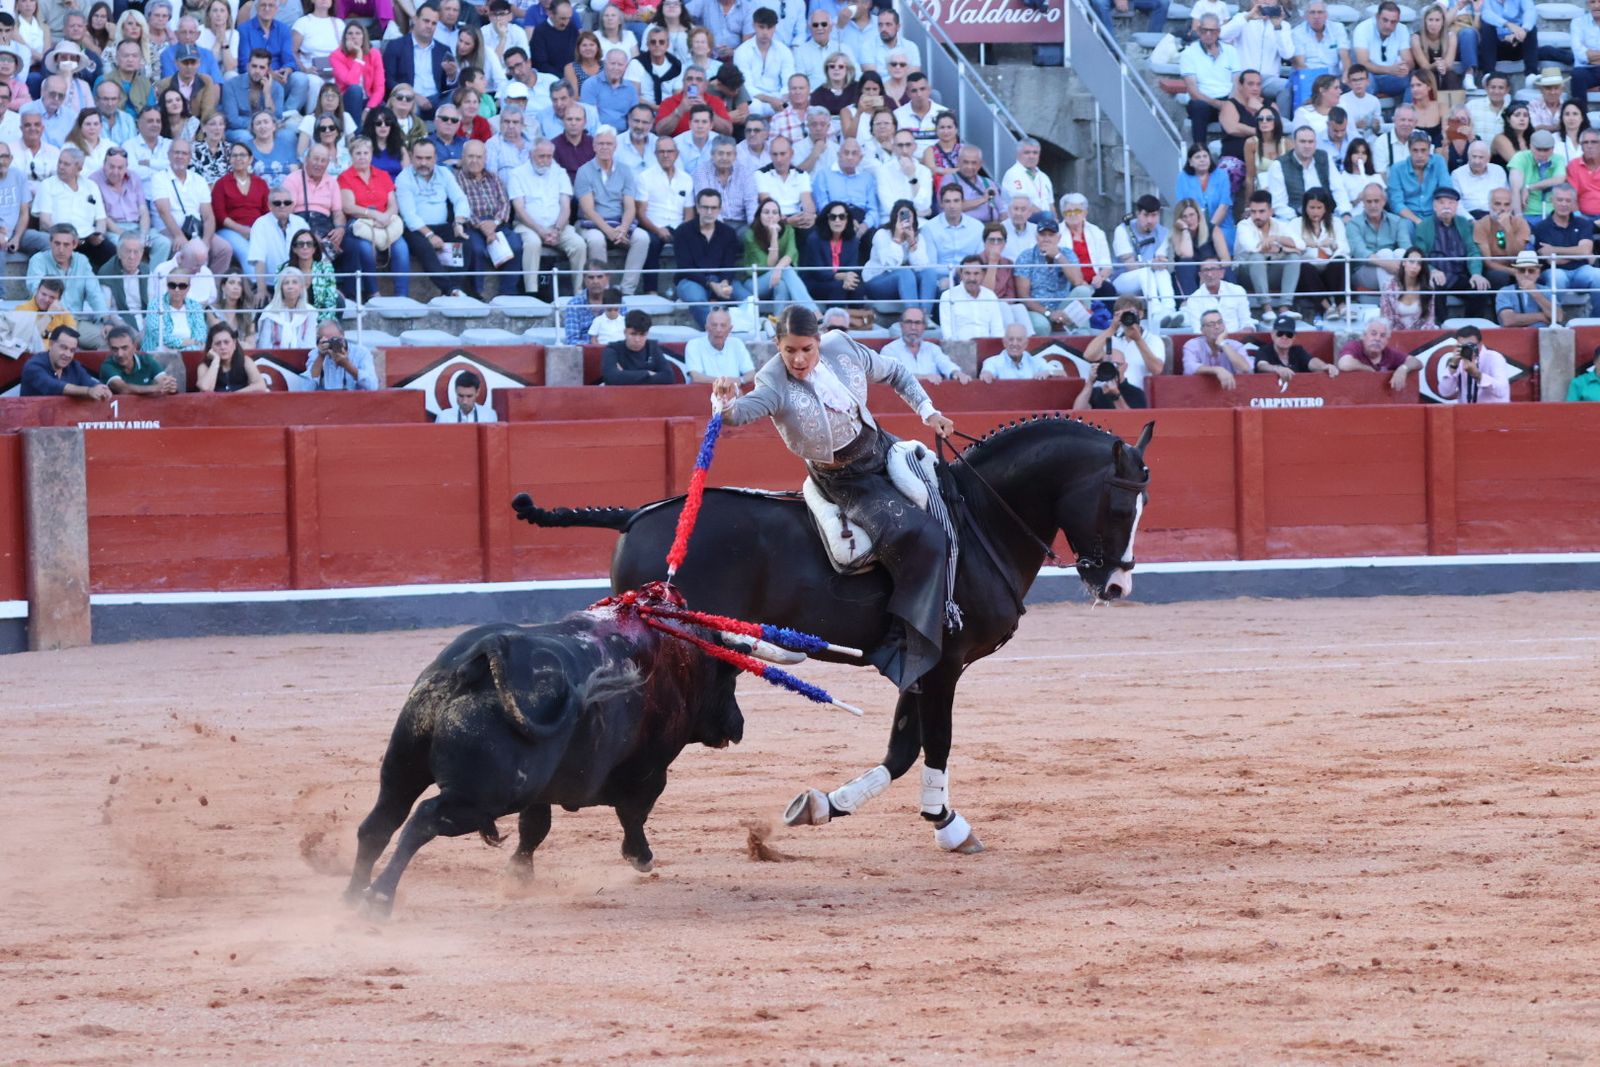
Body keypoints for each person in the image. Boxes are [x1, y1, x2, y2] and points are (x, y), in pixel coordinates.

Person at [712, 305, 956, 693]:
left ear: (819, 342)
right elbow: (739, 415)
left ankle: (953, 606)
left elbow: (894, 372)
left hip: (882, 446)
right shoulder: (772, 380)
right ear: (778, 345)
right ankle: (898, 642)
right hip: (844, 479)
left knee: (952, 499)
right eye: (790, 350)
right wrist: (724, 401)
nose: (798, 359)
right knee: (920, 536)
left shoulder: (843, 347)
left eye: (806, 349)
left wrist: (929, 411)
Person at [339, 135, 410, 300]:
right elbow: (348, 207)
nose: (362, 156)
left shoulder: (383, 175)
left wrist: (385, 216)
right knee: (364, 248)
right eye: (358, 153)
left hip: (385, 222)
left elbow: (393, 204)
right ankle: (373, 292)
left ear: (371, 154)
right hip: (359, 223)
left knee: (401, 247)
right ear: (352, 155)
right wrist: (374, 215)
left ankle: (402, 295)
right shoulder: (345, 177)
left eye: (366, 152)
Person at [397, 138, 471, 282]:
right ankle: (451, 290)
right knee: (426, 249)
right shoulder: (404, 178)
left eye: (428, 158)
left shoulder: (444, 173)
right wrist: (430, 235)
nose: (423, 163)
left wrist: (458, 223)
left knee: (465, 243)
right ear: (411, 156)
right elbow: (409, 215)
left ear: (435, 158)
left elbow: (460, 199)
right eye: (419, 158)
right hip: (417, 230)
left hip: (443, 226)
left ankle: (454, 288)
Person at [672, 186, 746, 327]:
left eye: (713, 208)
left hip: (720, 278)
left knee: (747, 299)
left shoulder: (728, 233)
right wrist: (711, 285)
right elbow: (685, 267)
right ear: (698, 208)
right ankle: (714, 334)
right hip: (691, 279)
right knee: (698, 299)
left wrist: (724, 282)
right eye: (705, 207)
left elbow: (729, 264)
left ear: (719, 209)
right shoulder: (682, 232)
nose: (709, 212)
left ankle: (744, 331)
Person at [26, 223, 111, 344]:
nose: (61, 249)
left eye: (66, 245)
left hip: (76, 322)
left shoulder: (82, 260)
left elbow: (94, 292)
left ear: (75, 244)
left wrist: (105, 321)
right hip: (47, 321)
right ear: (50, 243)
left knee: (108, 340)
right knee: (56, 342)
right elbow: (36, 291)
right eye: (57, 243)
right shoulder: (38, 260)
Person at [1413, 186, 1490, 314]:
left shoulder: (1464, 223)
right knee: (1435, 285)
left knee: (1481, 287)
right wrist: (1432, 271)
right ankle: (1440, 326)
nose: (1446, 206)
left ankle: (1470, 326)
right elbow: (1420, 255)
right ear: (1434, 206)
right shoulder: (1424, 226)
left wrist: (1476, 273)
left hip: (1460, 274)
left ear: (1456, 206)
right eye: (1441, 202)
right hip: (1437, 274)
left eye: (1451, 203)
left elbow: (1473, 250)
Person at [1531, 184, 1600, 316]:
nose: (1564, 204)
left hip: (1581, 271)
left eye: (1568, 200)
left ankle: (1597, 321)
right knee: (1558, 277)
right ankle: (1555, 319)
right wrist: (1580, 254)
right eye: (1560, 200)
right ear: (1553, 200)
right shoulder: (1542, 227)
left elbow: (1585, 250)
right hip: (1555, 270)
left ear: (1574, 203)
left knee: (1598, 275)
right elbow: (1553, 261)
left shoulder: (1583, 223)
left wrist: (1554, 249)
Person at [862, 197, 939, 317]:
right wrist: (897, 238)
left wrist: (912, 242)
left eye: (909, 215)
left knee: (929, 272)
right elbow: (890, 265)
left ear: (914, 218)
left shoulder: (918, 237)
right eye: (902, 215)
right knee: (905, 272)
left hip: (904, 284)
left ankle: (924, 317)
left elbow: (921, 267)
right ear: (895, 218)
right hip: (876, 282)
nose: (906, 219)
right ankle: (913, 317)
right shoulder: (882, 234)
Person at [1235, 189, 1301, 320]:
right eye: (1253, 212)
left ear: (1271, 211)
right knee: (1256, 257)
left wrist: (1276, 239)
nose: (1257, 216)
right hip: (1246, 275)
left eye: (1261, 211)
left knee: (1294, 258)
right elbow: (1253, 247)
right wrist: (1283, 248)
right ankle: (1267, 308)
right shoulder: (1243, 225)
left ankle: (1285, 308)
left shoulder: (1281, 225)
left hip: (1271, 272)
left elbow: (1300, 245)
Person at [1222, 2, 1293, 116]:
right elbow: (1222, 36)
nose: (1266, 2)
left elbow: (1287, 54)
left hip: (1268, 79)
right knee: (1235, 88)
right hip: (1244, 77)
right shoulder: (1243, 18)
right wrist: (1248, 17)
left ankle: (1282, 126)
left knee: (1287, 86)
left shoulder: (1283, 25)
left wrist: (1277, 27)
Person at [1180, 15, 1241, 147]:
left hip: (1227, 99)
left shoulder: (1231, 51)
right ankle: (1200, 150)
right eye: (1204, 30)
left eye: (1212, 30)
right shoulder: (1188, 53)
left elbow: (1236, 83)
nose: (1208, 34)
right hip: (1203, 100)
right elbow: (1193, 92)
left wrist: (1229, 103)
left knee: (1235, 109)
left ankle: (1230, 155)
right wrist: (1219, 104)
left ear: (1218, 32)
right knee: (1198, 106)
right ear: (1199, 30)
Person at [1083, 294, 1163, 394]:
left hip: (1138, 396)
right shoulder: (1111, 338)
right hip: (1108, 394)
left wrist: (1138, 340)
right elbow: (1089, 356)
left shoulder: (1153, 340)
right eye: (1122, 314)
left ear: (1141, 314)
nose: (1127, 317)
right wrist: (1112, 328)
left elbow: (1157, 370)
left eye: (1130, 313)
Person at [383, 3, 454, 114]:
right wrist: (413, 95)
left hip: (437, 101)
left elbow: (447, 88)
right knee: (407, 105)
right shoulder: (396, 46)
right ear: (415, 19)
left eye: (434, 23)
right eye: (426, 21)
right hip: (409, 99)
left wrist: (451, 76)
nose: (429, 26)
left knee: (457, 96)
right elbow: (389, 80)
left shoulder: (443, 50)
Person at [246, 180, 307, 298]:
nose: (282, 206)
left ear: (292, 205)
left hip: (299, 285)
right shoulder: (260, 224)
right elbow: (259, 259)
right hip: (271, 286)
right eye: (277, 203)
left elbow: (310, 256)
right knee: (261, 305)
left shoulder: (301, 223)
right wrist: (261, 291)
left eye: (287, 202)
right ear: (269, 205)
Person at [19, 323, 109, 397]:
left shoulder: (74, 366)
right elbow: (53, 386)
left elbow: (90, 382)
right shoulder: (33, 366)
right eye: (63, 348)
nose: (68, 354)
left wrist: (102, 389)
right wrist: (88, 391)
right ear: (51, 344)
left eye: (72, 350)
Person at [883, 305, 968, 382]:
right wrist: (924, 377)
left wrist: (956, 373)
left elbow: (946, 364)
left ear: (924, 326)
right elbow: (894, 375)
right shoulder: (890, 350)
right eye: (909, 322)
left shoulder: (933, 348)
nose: (913, 327)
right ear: (901, 325)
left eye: (917, 323)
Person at [1336, 315, 1420, 389]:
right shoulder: (1354, 346)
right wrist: (1368, 369)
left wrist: (1403, 369)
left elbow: (1416, 362)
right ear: (1363, 336)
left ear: (1387, 340)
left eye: (1383, 336)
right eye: (1373, 334)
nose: (1377, 339)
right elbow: (1344, 364)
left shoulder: (1388, 353)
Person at [1386, 130, 1450, 225]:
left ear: (1429, 150)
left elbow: (1447, 192)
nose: (1419, 155)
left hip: (1435, 215)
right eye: (1415, 150)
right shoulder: (1397, 169)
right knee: (1405, 225)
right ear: (1409, 150)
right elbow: (1396, 203)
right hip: (1409, 217)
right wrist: (1418, 221)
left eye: (1423, 150)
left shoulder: (1438, 162)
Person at [1434, 324, 1510, 403]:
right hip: (1466, 412)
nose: (1467, 349)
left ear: (1480, 344)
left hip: (1493, 411)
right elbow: (1445, 393)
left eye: (1471, 345)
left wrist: (1478, 375)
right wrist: (1453, 366)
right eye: (1463, 346)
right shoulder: (1459, 359)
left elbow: (1502, 391)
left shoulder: (1494, 358)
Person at [937, 256, 1004, 346]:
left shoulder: (990, 296)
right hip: (959, 350)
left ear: (983, 275)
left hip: (987, 350)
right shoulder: (948, 296)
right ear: (961, 275)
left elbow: (997, 331)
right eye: (967, 273)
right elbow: (947, 334)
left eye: (976, 273)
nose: (972, 278)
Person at [1352, 1, 1412, 99]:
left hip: (1391, 77)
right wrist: (1389, 70)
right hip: (1370, 75)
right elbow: (1362, 63)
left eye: (1393, 22)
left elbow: (1409, 60)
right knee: (1363, 80)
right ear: (1377, 17)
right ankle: (1369, 111)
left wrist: (1405, 67)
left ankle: (1406, 112)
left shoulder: (1402, 29)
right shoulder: (1362, 29)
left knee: (1415, 80)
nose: (1388, 26)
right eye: (1385, 20)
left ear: (1398, 21)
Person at [1474, 186, 1531, 289]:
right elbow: (1488, 262)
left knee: (1531, 274)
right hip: (1494, 269)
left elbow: (1516, 255)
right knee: (1498, 276)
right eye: (1497, 204)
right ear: (1489, 205)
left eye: (1507, 204)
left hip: (1517, 265)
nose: (1502, 209)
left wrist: (1507, 228)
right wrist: (1513, 272)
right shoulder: (1481, 224)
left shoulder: (1520, 223)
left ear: (1512, 206)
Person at [97, 323, 178, 394]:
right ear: (110, 348)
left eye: (124, 348)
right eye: (115, 349)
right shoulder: (107, 366)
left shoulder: (147, 360)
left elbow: (164, 382)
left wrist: (170, 386)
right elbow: (122, 388)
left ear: (135, 347)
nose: (120, 354)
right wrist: (156, 388)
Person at [1180, 310, 1253, 390]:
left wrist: (1222, 343)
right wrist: (1217, 370)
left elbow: (1246, 369)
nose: (1217, 327)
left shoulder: (1236, 345)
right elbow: (1189, 368)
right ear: (1202, 330)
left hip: (1232, 392)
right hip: (1198, 391)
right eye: (1211, 324)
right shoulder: (1192, 345)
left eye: (1220, 322)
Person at [600, 307, 675, 383]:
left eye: (642, 335)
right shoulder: (613, 349)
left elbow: (668, 377)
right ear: (625, 332)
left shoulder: (653, 347)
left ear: (647, 334)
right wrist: (647, 373)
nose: (637, 339)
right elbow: (611, 377)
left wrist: (625, 376)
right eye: (633, 334)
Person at [1255, 313, 1340, 378]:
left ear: (1294, 337)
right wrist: (1277, 369)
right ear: (1272, 335)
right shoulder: (1264, 350)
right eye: (1280, 333)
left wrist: (1324, 366)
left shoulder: (1297, 350)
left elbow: (1311, 361)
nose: (1284, 337)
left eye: (1289, 334)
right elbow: (1262, 366)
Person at [141, 268, 207, 351]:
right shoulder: (155, 305)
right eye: (172, 285)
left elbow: (200, 337)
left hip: (188, 354)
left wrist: (179, 352)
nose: (177, 290)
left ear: (188, 287)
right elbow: (158, 334)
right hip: (158, 356)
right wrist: (182, 343)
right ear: (167, 286)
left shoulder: (195, 306)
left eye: (182, 286)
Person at [682, 306, 754, 382]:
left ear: (730, 329)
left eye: (723, 325)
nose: (718, 330)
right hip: (704, 392)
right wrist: (728, 383)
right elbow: (696, 377)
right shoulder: (694, 345)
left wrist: (740, 381)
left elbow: (751, 373)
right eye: (714, 325)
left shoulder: (737, 343)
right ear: (706, 328)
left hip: (735, 392)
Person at [301, 319, 378, 390]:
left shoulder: (360, 353)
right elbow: (306, 389)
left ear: (343, 336)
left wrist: (347, 365)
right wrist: (320, 357)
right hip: (325, 402)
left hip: (354, 401)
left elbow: (372, 386)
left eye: (334, 339)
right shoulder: (316, 353)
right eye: (326, 341)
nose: (331, 344)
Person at [97, 231, 150, 330]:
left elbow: (152, 303)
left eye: (136, 252)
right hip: (118, 319)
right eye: (128, 251)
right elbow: (106, 310)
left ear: (142, 253)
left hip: (144, 317)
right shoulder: (106, 272)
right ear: (119, 252)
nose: (132, 257)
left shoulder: (146, 270)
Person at [195, 321, 266, 392]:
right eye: (217, 343)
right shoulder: (204, 366)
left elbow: (261, 386)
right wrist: (215, 361)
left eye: (226, 342)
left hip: (242, 402)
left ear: (234, 344)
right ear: (211, 347)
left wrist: (233, 396)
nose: (223, 347)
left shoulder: (245, 361)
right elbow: (205, 388)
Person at [1185, 257, 1252, 331]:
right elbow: (1198, 330)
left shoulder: (1237, 291)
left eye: (1213, 269)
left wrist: (1243, 334)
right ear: (1200, 275)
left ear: (1222, 273)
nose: (1209, 274)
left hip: (1237, 339)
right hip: (1209, 341)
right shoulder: (1194, 299)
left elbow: (1246, 322)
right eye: (1206, 270)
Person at [979, 322, 1064, 380]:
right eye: (1011, 339)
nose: (1014, 343)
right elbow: (987, 372)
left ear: (1026, 344)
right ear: (1004, 342)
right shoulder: (992, 362)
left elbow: (1062, 373)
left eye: (1019, 340)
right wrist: (986, 375)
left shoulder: (1036, 361)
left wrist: (1049, 372)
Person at [1379, 247, 1438, 329]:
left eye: (1419, 263)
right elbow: (1386, 320)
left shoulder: (1428, 286)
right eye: (1411, 261)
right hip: (1396, 335)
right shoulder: (1389, 287)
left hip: (1421, 335)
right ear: (1404, 263)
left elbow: (1429, 319)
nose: (1414, 267)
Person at [1481, 0, 1540, 78]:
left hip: (1518, 43)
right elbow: (1486, 14)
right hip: (1495, 47)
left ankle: (1531, 75)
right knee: (1487, 26)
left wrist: (1523, 31)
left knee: (1531, 28)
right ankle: (1488, 75)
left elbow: (1530, 11)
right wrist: (1508, 25)